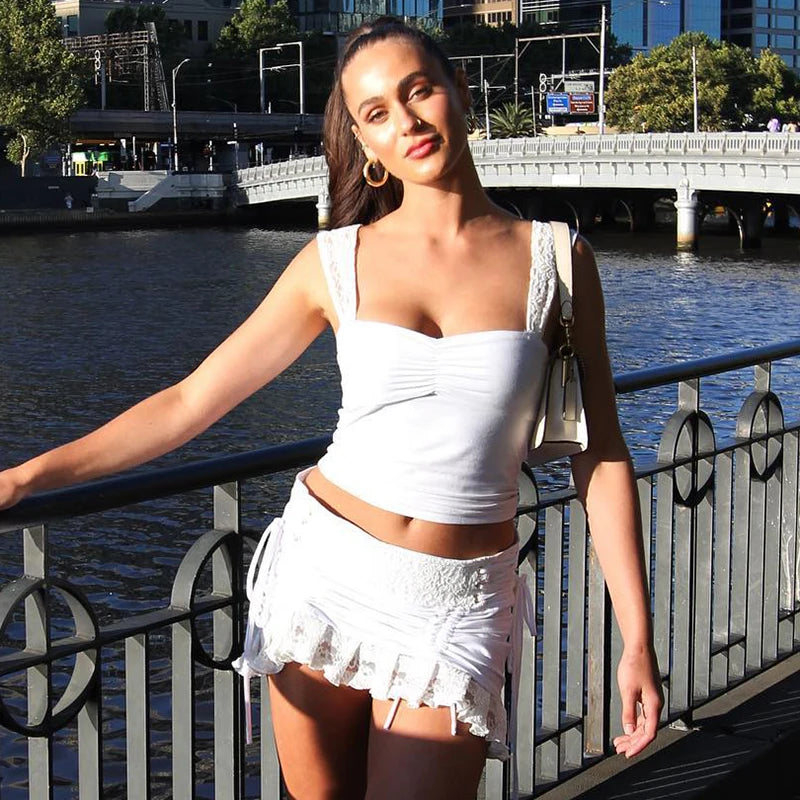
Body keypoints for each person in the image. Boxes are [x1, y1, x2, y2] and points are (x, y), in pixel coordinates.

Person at [0, 18, 662, 800]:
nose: (407, 121)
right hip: (327, 576)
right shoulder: (335, 260)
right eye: (377, 112)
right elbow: (190, 401)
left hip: (457, 604)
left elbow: (601, 453)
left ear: (460, 93)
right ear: (364, 141)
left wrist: (636, 636)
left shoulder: (556, 259)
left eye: (420, 91)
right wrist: (26, 478)